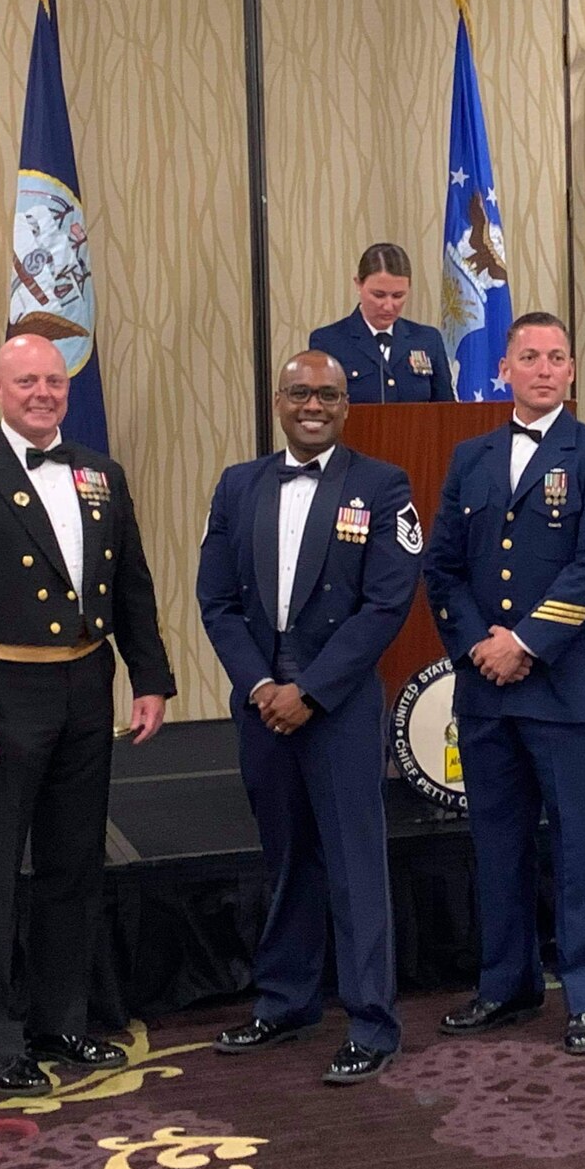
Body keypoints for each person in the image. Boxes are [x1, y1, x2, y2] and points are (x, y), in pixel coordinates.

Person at [0, 334, 175, 1098]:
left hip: (87, 692)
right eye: (26, 381)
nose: (42, 393)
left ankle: (61, 1018)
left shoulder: (101, 473)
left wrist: (148, 676)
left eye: (54, 381)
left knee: (74, 864)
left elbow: (132, 586)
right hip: (3, 696)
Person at [195, 351, 422, 1084]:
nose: (313, 404)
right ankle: (286, 999)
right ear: (278, 401)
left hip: (341, 706)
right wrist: (262, 684)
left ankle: (370, 1022)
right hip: (262, 705)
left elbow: (386, 604)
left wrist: (311, 691)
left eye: (327, 393)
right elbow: (217, 601)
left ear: (346, 405)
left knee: (356, 866)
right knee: (287, 855)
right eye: (300, 392)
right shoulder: (238, 485)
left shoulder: (383, 487)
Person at [424, 313, 585, 1055]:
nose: (543, 369)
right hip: (487, 687)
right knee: (498, 841)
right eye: (528, 357)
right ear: (504, 369)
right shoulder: (470, 457)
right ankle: (505, 985)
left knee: (579, 847)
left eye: (556, 358)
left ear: (572, 371)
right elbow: (443, 567)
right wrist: (479, 644)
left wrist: (526, 642)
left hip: (565, 688)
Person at [308, 242, 456, 404]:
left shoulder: (426, 339)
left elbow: (445, 412)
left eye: (398, 296)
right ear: (358, 284)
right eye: (379, 295)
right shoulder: (329, 341)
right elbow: (322, 411)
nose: (388, 305)